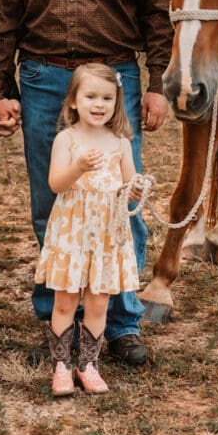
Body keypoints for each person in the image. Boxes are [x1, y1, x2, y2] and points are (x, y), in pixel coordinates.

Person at [0, 0, 172, 366]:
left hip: (114, 82)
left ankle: (121, 323)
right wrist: (0, 89)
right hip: (43, 80)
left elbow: (156, 12)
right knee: (53, 202)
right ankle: (58, 322)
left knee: (121, 201)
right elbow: (3, 20)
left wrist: (155, 84)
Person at [37, 64, 143, 395]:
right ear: (73, 101)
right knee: (66, 302)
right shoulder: (66, 140)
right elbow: (55, 183)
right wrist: (79, 166)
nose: (99, 105)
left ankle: (88, 364)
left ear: (117, 102)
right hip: (72, 233)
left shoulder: (120, 143)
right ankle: (61, 366)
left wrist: (136, 189)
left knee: (99, 303)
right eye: (91, 96)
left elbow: (128, 186)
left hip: (108, 236)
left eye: (107, 98)